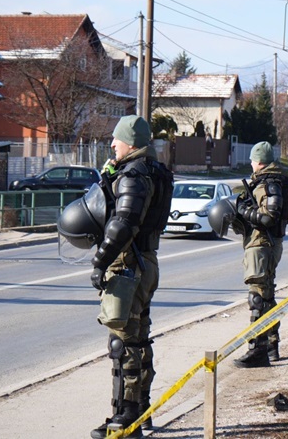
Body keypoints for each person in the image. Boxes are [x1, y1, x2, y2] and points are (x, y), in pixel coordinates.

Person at [78, 115, 173, 439]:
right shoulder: (151, 170)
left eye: (116, 140)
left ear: (130, 143)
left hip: (128, 265)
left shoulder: (134, 175)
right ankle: (141, 410)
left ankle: (125, 418)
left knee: (123, 343)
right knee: (140, 337)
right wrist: (109, 177)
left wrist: (100, 261)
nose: (112, 144)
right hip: (146, 262)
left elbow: (124, 223)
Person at [232, 141, 288, 368]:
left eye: (252, 160)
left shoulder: (269, 183)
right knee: (266, 296)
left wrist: (243, 210)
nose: (250, 163)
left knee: (258, 298)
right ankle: (270, 345)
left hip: (262, 244)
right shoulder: (273, 180)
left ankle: (257, 350)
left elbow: (268, 217)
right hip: (266, 244)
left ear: (259, 161)